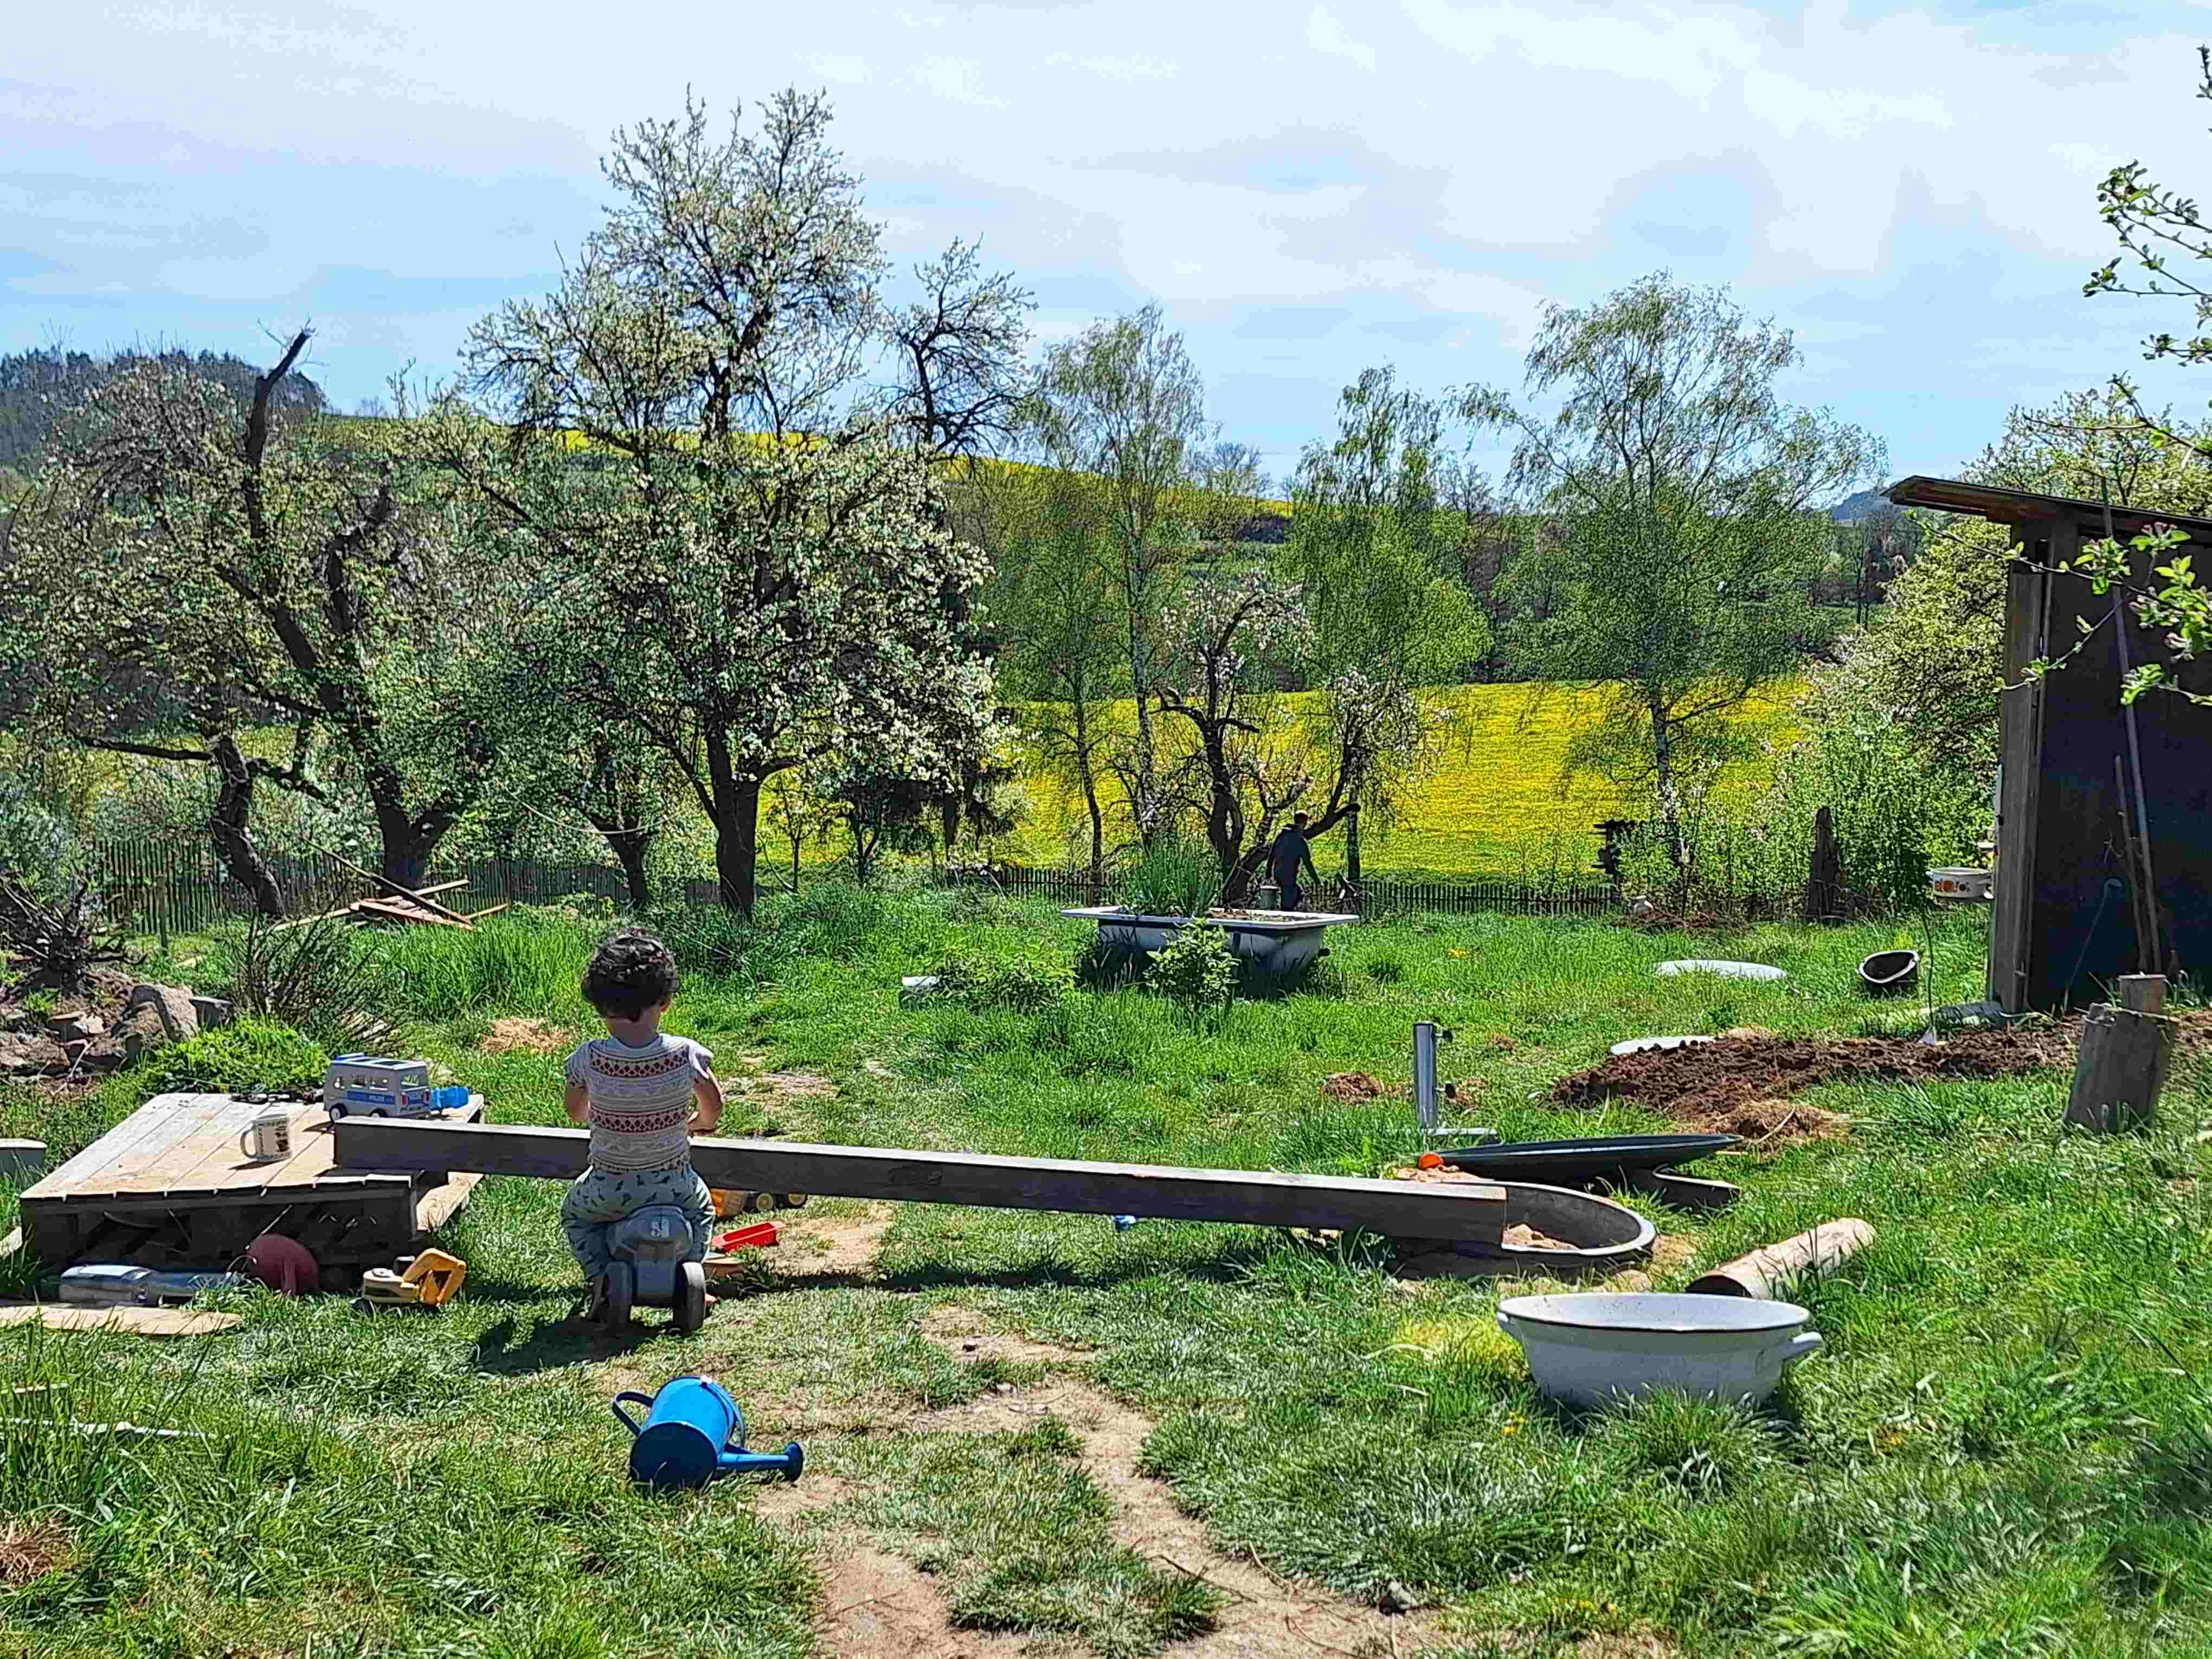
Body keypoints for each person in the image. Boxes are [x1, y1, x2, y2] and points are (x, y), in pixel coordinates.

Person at [559, 929, 723, 1316]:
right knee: (703, 1211)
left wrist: (595, 1114)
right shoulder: (686, 1054)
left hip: (608, 1183)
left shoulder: (588, 1058)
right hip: (674, 1183)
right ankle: (693, 1270)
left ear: (598, 1006)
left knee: (575, 1215)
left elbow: (575, 1111)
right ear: (665, 1001)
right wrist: (698, 1123)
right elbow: (714, 1107)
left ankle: (600, 1278)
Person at [1269, 812, 1320, 911]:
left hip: (1278, 873)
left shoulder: (1281, 836)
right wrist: (1316, 880)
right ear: (1304, 823)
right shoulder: (1300, 840)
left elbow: (1272, 854)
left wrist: (1268, 872)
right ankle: (1285, 921)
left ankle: (1285, 916)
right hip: (1289, 875)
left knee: (1297, 894)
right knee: (1289, 903)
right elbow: (1308, 863)